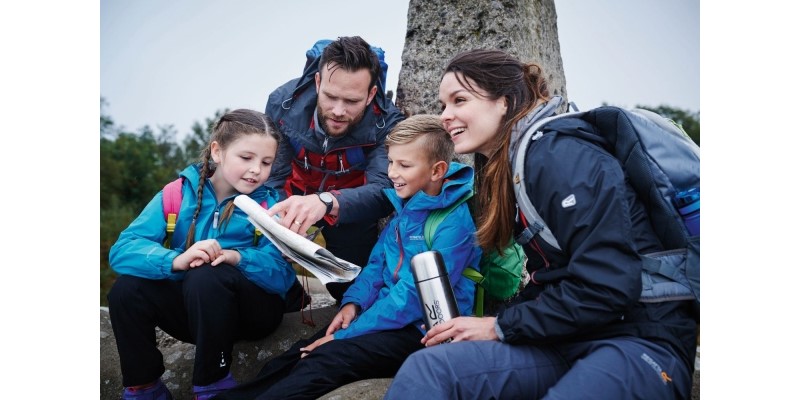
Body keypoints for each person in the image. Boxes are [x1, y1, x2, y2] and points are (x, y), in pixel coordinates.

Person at [384, 49, 699, 399]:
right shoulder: (511, 169)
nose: (445, 116)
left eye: (459, 100)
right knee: (429, 368)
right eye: (443, 105)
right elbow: (554, 277)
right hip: (565, 338)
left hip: (641, 339)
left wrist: (501, 325)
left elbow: (609, 286)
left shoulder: (559, 156)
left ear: (503, 101)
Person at [215, 114, 482, 400]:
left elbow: (411, 297)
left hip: (424, 332)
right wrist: (352, 304)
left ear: (436, 170)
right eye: (391, 162)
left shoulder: (453, 223)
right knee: (296, 354)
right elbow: (377, 267)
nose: (392, 173)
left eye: (404, 165)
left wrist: (344, 336)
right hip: (387, 320)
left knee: (325, 358)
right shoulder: (405, 210)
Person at [107, 109, 298, 400]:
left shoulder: (272, 205)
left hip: (252, 313)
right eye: (246, 158)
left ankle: (212, 384)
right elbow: (123, 250)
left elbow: (282, 276)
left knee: (207, 275)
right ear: (217, 152)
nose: (256, 170)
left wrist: (238, 258)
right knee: (126, 289)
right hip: (196, 315)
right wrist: (174, 260)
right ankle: (144, 387)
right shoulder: (176, 194)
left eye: (266, 162)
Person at [263, 36, 405, 303]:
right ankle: (290, 296)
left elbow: (385, 190)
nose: (338, 111)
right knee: (262, 271)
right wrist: (279, 224)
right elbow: (272, 175)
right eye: (330, 97)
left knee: (349, 287)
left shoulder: (387, 124)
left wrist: (325, 202)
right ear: (318, 82)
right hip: (291, 198)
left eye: (351, 101)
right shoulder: (283, 103)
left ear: (371, 94)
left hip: (349, 207)